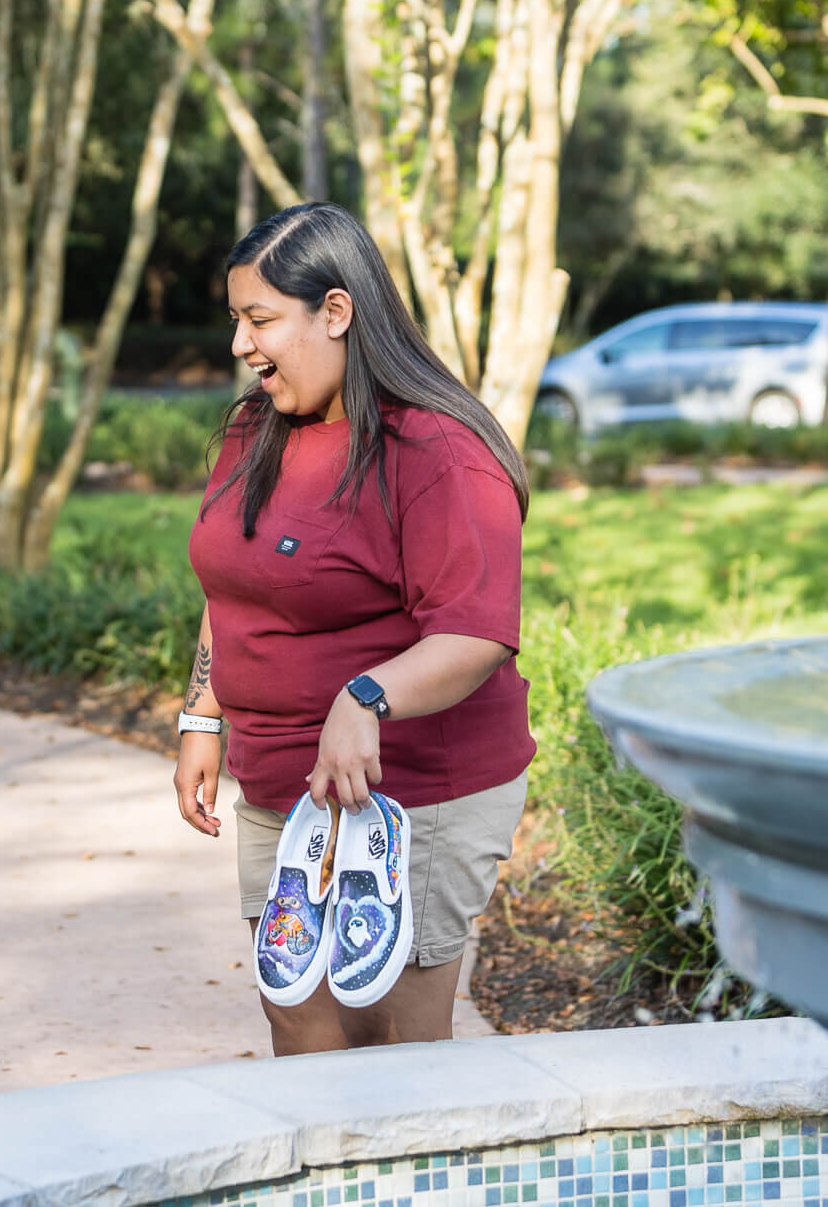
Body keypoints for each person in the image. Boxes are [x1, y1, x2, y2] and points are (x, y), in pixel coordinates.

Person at [177, 201, 534, 1057]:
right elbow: (232, 585)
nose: (241, 345)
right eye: (237, 320)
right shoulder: (253, 430)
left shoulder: (439, 450)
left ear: (336, 311)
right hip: (282, 789)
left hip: (413, 794)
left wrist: (365, 696)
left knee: (387, 1044)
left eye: (261, 320)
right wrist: (201, 714)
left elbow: (476, 634)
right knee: (296, 1012)